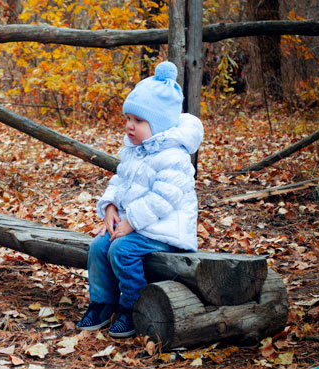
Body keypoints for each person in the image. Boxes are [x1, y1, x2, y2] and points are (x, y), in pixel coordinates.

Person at [77, 61, 204, 338]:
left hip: (164, 229)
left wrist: (131, 222)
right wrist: (110, 206)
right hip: (136, 226)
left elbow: (163, 198)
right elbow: (119, 181)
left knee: (121, 250)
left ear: (158, 125)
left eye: (138, 121)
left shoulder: (174, 156)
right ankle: (102, 303)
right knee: (99, 246)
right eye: (129, 119)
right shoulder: (135, 150)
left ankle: (131, 306)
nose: (129, 127)